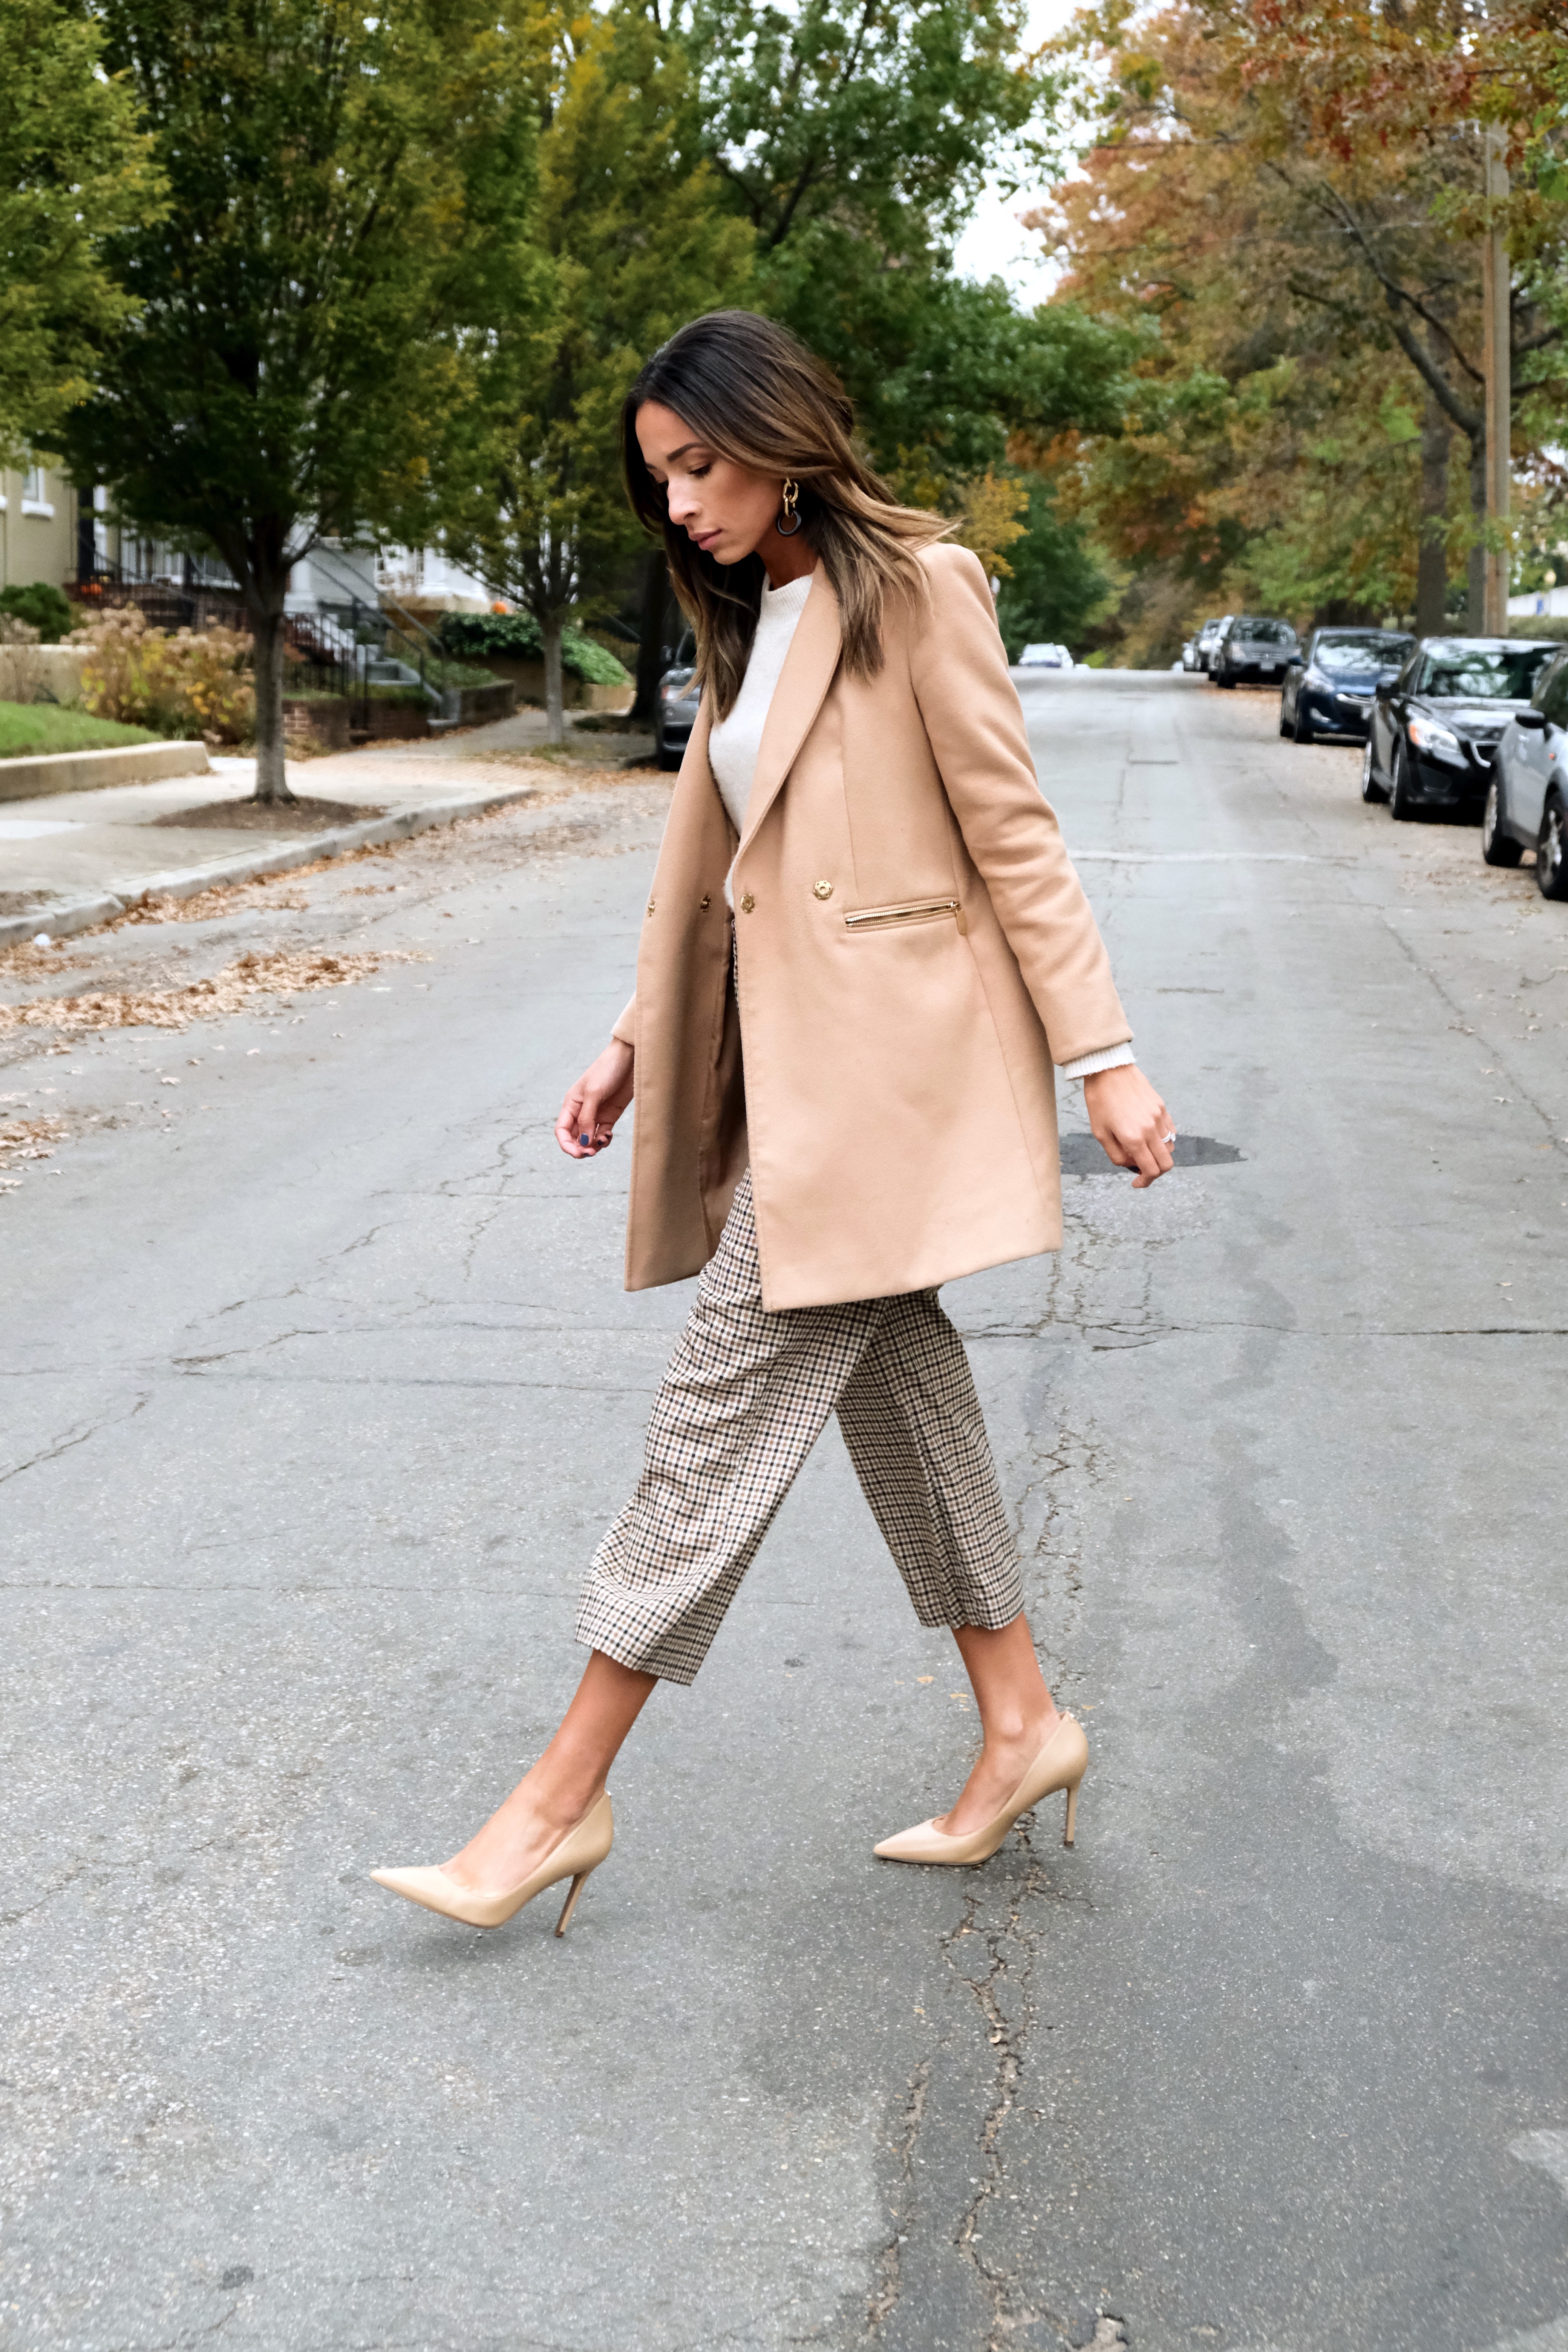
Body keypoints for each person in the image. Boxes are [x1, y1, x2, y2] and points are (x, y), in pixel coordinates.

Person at [371, 311, 1176, 1936]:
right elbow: (718, 876)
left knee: (711, 1432)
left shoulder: (916, 586)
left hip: (885, 1096)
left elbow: (1014, 839)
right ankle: (1023, 1727)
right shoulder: (753, 615)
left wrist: (1103, 1054)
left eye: (698, 465)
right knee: (905, 1406)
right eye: (660, 478)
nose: (678, 505)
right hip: (794, 1087)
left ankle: (550, 1808)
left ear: (778, 430)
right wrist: (628, 1043)